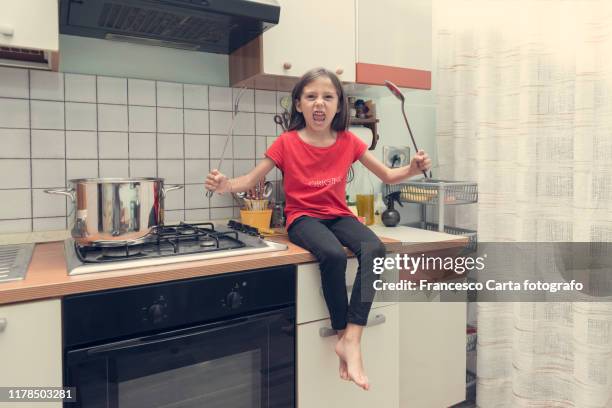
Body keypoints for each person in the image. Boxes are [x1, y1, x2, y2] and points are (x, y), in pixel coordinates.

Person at [205, 67, 431, 391]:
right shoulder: (286, 143)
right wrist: (226, 184)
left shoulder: (348, 141)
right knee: (332, 255)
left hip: (339, 214)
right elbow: (250, 180)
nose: (319, 103)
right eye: (311, 97)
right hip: (303, 218)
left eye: (328, 96)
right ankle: (344, 336)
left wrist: (412, 168)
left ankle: (352, 337)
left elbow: (389, 176)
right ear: (298, 104)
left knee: (375, 249)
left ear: (339, 105)